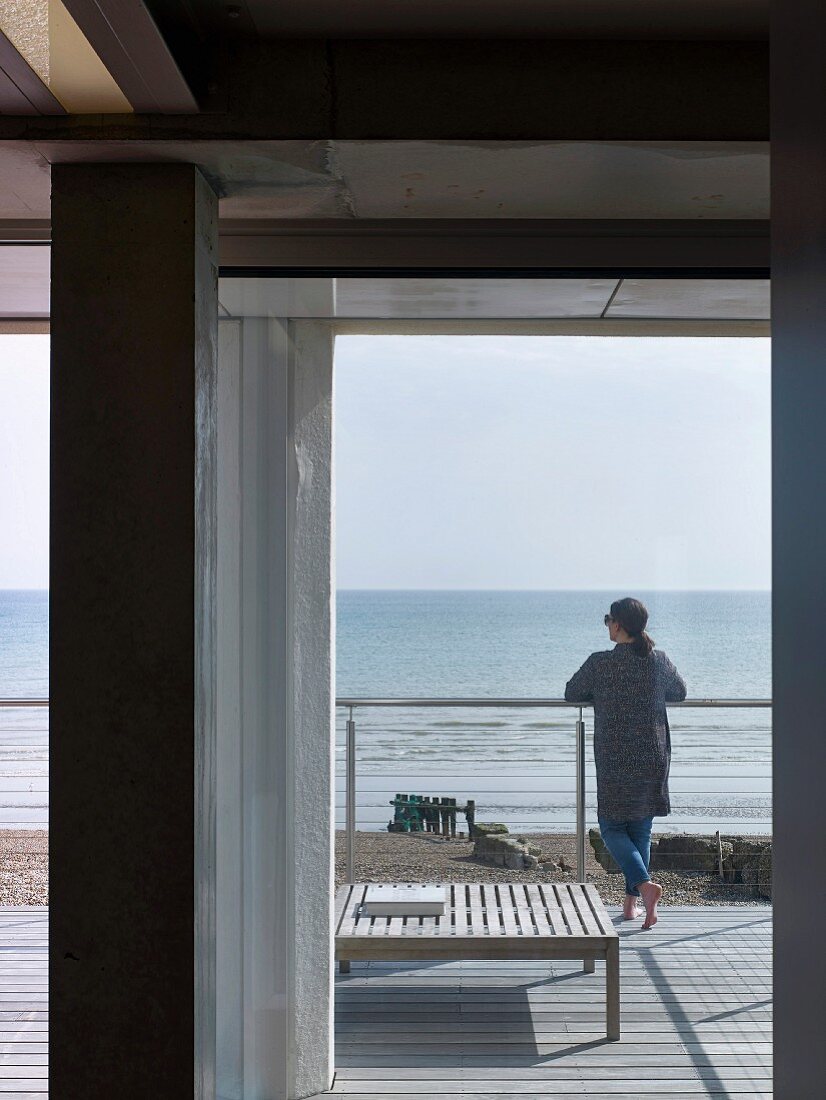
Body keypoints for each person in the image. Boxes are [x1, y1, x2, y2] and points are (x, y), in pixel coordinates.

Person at [564, 597, 686, 929]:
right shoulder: (658, 661)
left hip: (616, 757)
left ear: (618, 624)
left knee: (612, 828)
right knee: (640, 830)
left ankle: (645, 888)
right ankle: (635, 905)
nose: (606, 625)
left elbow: (571, 693)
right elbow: (679, 692)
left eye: (608, 619)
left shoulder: (600, 663)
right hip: (652, 755)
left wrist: (604, 696)